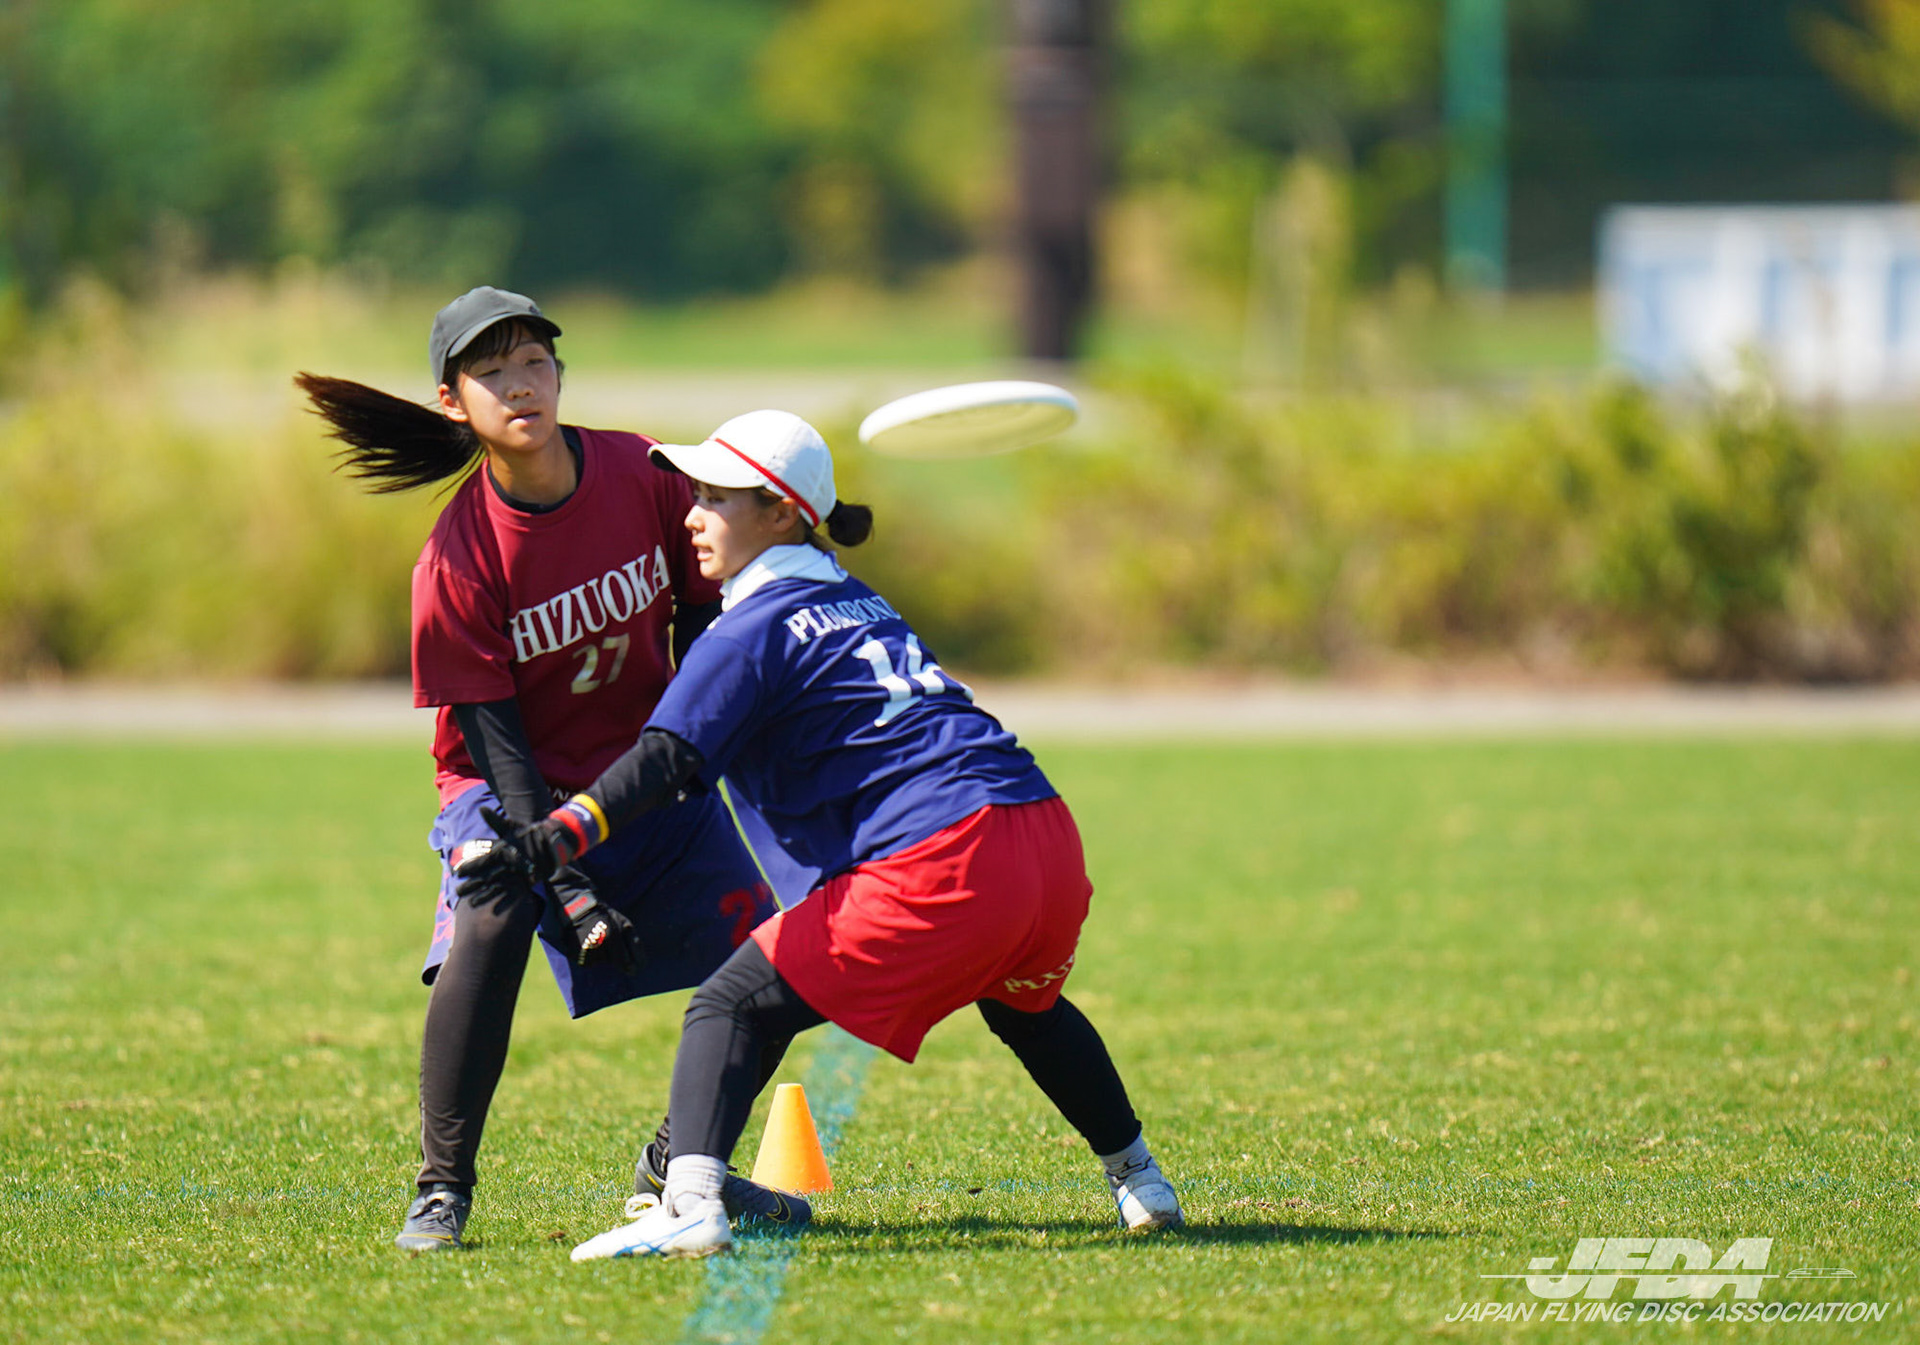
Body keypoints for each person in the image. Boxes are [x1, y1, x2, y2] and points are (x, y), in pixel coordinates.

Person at [469, 408, 1184, 1260]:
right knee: (1025, 1007)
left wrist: (554, 837)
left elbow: (665, 760)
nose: (692, 515)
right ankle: (1141, 1179)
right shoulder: (857, 597)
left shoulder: (752, 625)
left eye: (716, 498)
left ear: (781, 513)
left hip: (943, 855)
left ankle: (687, 1201)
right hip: (1042, 833)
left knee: (728, 1003)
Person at [295, 287, 798, 1252]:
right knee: (491, 915)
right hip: (504, 789)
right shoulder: (457, 557)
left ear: (561, 373)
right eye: (492, 372)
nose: (520, 384)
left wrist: (692, 750)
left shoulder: (640, 470)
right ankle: (442, 1189)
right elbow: (496, 746)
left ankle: (681, 1161)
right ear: (454, 403)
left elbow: (705, 618)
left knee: (784, 951)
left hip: (639, 768)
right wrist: (567, 886)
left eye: (533, 361)